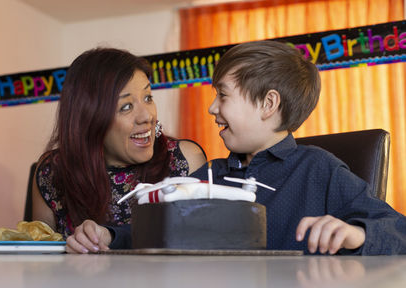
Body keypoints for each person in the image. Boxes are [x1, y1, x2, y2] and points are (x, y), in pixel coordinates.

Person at [72, 40, 406, 255]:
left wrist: (358, 234)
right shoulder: (211, 175)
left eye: (223, 96)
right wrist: (109, 236)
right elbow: (160, 234)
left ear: (268, 104)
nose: (212, 108)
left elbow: (399, 231)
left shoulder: (320, 169)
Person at [0, 48, 207, 251]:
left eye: (148, 97)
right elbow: (40, 246)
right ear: (90, 119)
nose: (146, 116)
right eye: (126, 106)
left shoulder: (184, 160)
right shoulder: (52, 173)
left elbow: (197, 241)